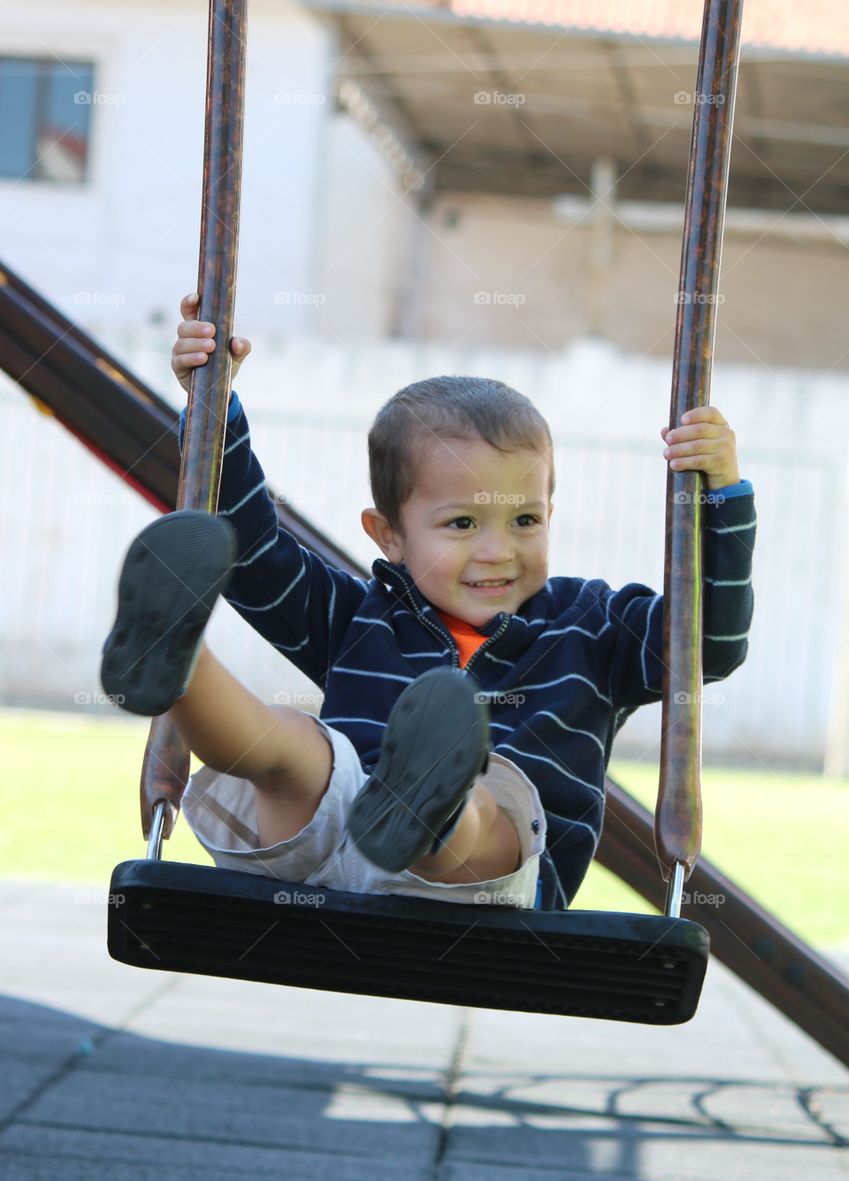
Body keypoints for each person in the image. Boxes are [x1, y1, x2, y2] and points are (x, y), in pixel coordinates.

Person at [101, 294, 756, 911]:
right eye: (462, 525)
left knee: (481, 805)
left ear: (550, 513)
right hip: (334, 857)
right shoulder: (359, 616)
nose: (498, 550)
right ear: (389, 535)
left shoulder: (597, 629)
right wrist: (214, 407)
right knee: (296, 752)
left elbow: (709, 642)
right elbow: (251, 555)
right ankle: (176, 660)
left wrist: (720, 494)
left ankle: (430, 803)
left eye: (524, 521)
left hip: (493, 884)